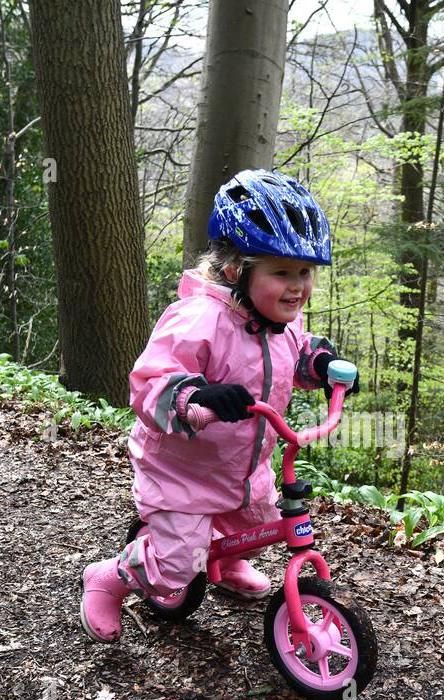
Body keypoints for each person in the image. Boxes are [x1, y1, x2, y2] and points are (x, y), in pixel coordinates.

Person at [80, 169, 358, 643]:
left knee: (261, 519)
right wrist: (197, 395)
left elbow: (293, 355)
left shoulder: (283, 322)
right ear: (235, 271)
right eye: (281, 272)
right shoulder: (198, 320)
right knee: (174, 567)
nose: (297, 287)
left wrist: (320, 364)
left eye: (304, 273)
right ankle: (108, 580)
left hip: (243, 465)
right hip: (182, 470)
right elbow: (151, 382)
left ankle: (225, 562)